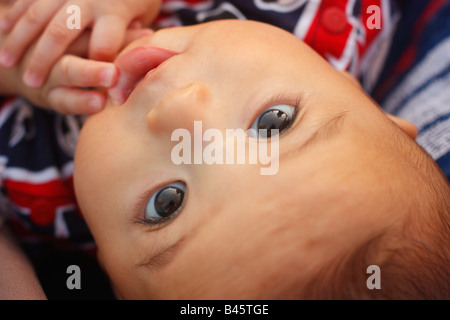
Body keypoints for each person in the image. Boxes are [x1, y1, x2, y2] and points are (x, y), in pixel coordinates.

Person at [73, 20, 449, 299]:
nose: (179, 107)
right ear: (372, 104)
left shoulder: (22, 182)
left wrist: (18, 59)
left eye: (167, 203)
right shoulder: (337, 17)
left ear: (112, 278)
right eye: (274, 122)